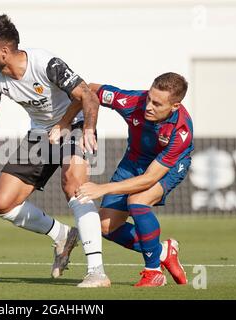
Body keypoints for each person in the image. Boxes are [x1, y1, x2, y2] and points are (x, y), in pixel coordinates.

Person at [0, 14, 111, 288]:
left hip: (74, 124)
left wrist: (87, 129)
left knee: (75, 186)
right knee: (2, 203)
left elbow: (87, 95)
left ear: (3, 52)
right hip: (41, 134)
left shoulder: (45, 63)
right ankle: (62, 235)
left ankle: (97, 272)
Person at [65, 73, 192, 287]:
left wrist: (103, 188)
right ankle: (162, 251)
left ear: (175, 106)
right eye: (149, 98)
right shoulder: (134, 101)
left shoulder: (181, 131)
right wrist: (72, 122)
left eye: (157, 103)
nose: (149, 106)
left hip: (167, 167)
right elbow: (88, 89)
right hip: (133, 160)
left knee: (138, 201)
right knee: (105, 227)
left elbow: (149, 178)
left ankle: (153, 272)